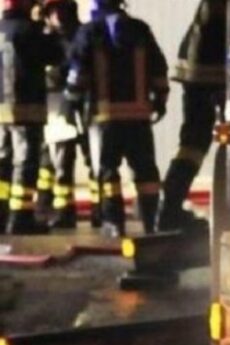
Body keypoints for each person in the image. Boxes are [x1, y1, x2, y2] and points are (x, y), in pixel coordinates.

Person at [66, 0, 169, 237]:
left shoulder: (89, 32)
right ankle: (152, 222)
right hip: (139, 117)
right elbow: (158, 68)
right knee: (145, 172)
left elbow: (77, 73)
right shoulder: (140, 29)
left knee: (107, 172)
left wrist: (72, 101)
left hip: (105, 118)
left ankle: (114, 223)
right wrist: (160, 100)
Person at [156, 0, 226, 232]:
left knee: (193, 143)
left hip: (201, 69)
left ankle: (169, 208)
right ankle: (170, 209)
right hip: (213, 70)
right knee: (197, 143)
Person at [0, 0, 62, 234]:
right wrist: (50, 28)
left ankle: (1, 214)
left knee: (3, 162)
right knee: (25, 163)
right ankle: (21, 217)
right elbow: (55, 54)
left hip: (1, 110)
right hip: (26, 108)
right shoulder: (29, 31)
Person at [41, 0, 99, 229]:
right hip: (59, 106)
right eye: (53, 12)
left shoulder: (84, 35)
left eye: (61, 10)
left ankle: (99, 208)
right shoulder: (47, 39)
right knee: (58, 161)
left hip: (84, 103)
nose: (58, 16)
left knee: (93, 158)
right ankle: (61, 209)